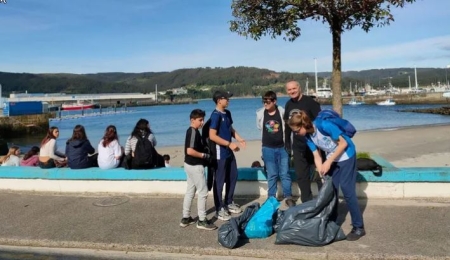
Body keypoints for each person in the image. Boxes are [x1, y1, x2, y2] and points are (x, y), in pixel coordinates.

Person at [288, 111, 365, 241]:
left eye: (296, 131)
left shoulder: (324, 125)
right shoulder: (308, 136)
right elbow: (316, 156)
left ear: (303, 125)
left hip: (347, 155)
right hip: (333, 158)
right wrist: (321, 172)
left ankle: (358, 227)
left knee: (347, 190)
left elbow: (343, 143)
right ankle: (332, 221)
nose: (295, 134)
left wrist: (328, 162)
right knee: (330, 190)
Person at [209, 90, 246, 221]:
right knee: (219, 181)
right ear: (219, 100)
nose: (228, 100)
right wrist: (229, 144)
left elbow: (229, 129)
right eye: (226, 98)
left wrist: (239, 138)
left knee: (233, 175)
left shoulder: (227, 113)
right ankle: (219, 208)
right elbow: (212, 135)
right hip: (220, 152)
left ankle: (229, 202)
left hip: (228, 151)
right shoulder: (215, 115)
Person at [284, 81, 321, 203]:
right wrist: (288, 144)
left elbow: (320, 123)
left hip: (314, 145)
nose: (292, 91)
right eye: (289, 89)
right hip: (298, 147)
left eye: (294, 88)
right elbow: (288, 126)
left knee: (320, 176)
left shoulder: (310, 103)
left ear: (299, 88)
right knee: (302, 177)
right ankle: (307, 203)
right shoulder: (288, 105)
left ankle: (324, 201)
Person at [180, 109, 217, 230]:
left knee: (190, 191)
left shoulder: (192, 131)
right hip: (195, 166)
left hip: (188, 165)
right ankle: (202, 220)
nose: (202, 122)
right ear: (192, 120)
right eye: (200, 120)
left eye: (203, 120)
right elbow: (189, 151)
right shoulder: (193, 132)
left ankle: (186, 218)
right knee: (203, 192)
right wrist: (204, 155)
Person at [256, 91, 295, 207]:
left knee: (285, 174)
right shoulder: (260, 114)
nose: (265, 103)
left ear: (274, 101)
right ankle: (271, 197)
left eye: (268, 101)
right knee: (272, 174)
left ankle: (288, 197)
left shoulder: (282, 112)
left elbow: (288, 128)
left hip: (282, 148)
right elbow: (259, 127)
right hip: (267, 148)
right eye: (264, 101)